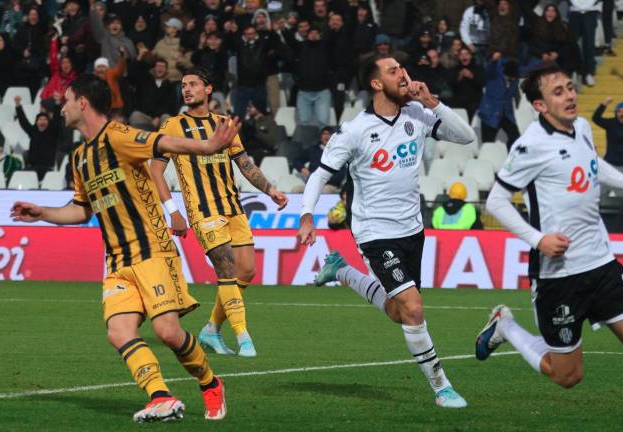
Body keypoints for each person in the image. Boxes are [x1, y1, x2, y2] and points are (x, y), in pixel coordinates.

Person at [10, 74, 234, 423]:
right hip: (117, 261)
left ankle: (210, 383)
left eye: (66, 100)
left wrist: (207, 147)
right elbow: (82, 209)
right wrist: (43, 214)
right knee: (118, 333)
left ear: (83, 102)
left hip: (152, 251)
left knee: (167, 333)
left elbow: (162, 142)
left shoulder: (118, 136)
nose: (62, 107)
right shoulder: (79, 157)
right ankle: (161, 396)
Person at [477, 64, 623, 432]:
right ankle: (505, 326)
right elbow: (496, 201)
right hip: (559, 277)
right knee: (567, 376)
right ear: (540, 105)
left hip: (602, 264)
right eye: (558, 92)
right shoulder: (530, 146)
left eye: (570, 87)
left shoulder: (583, 128)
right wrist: (538, 240)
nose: (570, 95)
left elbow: (592, 164)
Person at [297, 54, 475, 409]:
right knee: (413, 309)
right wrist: (306, 216)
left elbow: (467, 137)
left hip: (412, 229)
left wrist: (432, 102)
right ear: (377, 84)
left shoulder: (417, 114)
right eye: (394, 71)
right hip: (374, 232)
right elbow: (320, 175)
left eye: (403, 68)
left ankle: (342, 271)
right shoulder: (355, 130)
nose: (403, 74)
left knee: (399, 311)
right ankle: (442, 387)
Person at [150, 67, 288, 357]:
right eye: (184, 85)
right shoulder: (172, 126)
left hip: (233, 207)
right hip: (203, 211)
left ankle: (211, 329)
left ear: (208, 89)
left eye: (193, 84)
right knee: (226, 269)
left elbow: (244, 163)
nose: (187, 89)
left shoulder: (223, 124)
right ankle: (243, 338)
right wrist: (173, 211)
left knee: (246, 271)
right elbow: (156, 171)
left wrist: (270, 189)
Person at [15, 95, 61, 180]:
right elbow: (23, 121)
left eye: (45, 119)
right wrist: (18, 106)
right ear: (36, 122)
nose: (42, 121)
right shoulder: (33, 131)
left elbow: (57, 120)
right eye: (40, 119)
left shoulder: (52, 132)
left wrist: (57, 103)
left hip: (47, 169)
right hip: (32, 168)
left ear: (48, 122)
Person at [478, 58, 520, 148]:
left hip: (506, 114)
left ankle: (509, 154)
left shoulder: (515, 79)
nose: (512, 79)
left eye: (514, 77)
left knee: (516, 138)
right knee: (488, 144)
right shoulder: (494, 75)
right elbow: (488, 69)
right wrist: (493, 61)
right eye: (510, 77)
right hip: (490, 113)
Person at [292, 126, 346, 192]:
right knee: (296, 190)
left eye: (329, 134)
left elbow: (341, 174)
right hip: (312, 184)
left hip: (330, 185)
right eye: (324, 134)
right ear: (321, 136)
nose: (327, 136)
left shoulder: (338, 152)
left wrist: (323, 180)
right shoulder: (313, 149)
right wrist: (302, 168)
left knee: (325, 191)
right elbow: (297, 161)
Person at [568, 0, 601, 86]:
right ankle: (574, 71)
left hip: (591, 10)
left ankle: (589, 73)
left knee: (589, 43)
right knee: (572, 43)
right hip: (574, 10)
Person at [459, 0, 491, 65]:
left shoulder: (491, 12)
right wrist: (469, 44)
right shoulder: (469, 11)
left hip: (488, 47)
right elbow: (463, 29)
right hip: (473, 46)